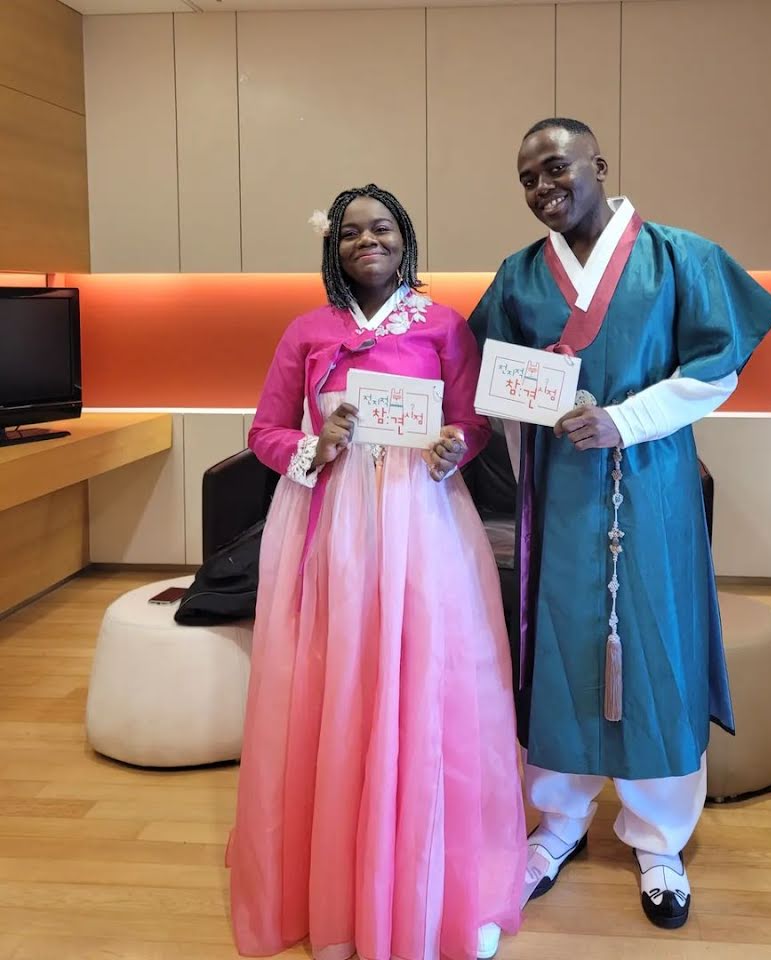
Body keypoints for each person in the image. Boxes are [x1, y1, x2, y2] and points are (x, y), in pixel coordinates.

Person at [468, 118, 771, 930]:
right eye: (528, 179)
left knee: (657, 646)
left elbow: (717, 369)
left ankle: (658, 840)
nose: (544, 188)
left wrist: (624, 420)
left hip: (653, 485)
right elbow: (495, 381)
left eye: (556, 168)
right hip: (561, 491)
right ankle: (558, 822)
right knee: (561, 645)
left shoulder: (681, 257)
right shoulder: (518, 276)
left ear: (599, 163)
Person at [227, 184, 526, 960]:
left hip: (422, 520)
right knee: (338, 686)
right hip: (332, 527)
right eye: (351, 232)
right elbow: (264, 430)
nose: (368, 241)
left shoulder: (443, 324)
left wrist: (455, 445)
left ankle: (429, 883)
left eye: (382, 228)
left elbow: (471, 421)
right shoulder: (307, 330)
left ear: (406, 238)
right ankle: (336, 886)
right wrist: (316, 443)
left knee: (426, 681)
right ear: (333, 248)